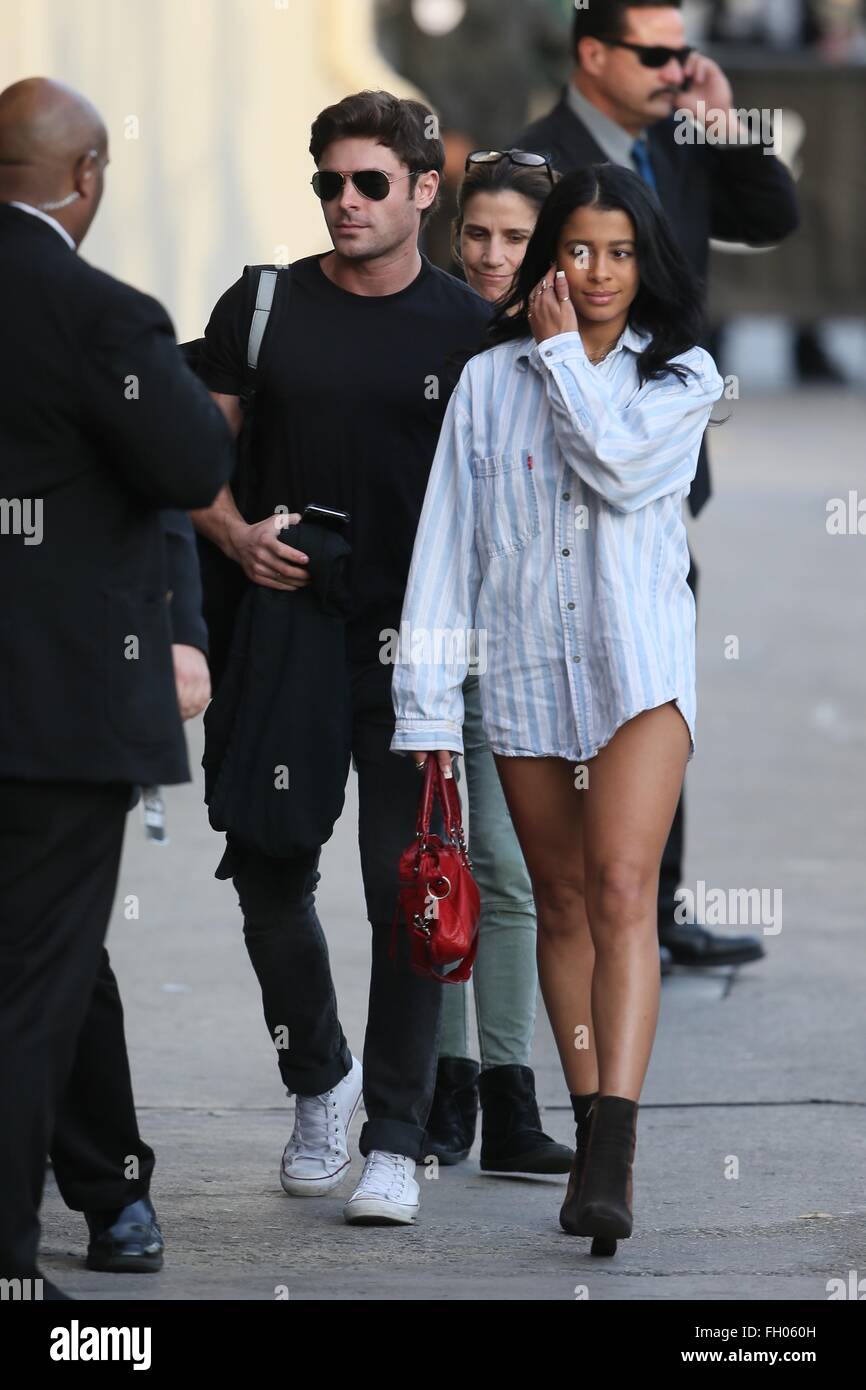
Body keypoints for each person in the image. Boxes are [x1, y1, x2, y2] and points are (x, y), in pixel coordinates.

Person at [391, 163, 725, 1254]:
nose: (596, 274)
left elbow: (624, 473)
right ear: (548, 261)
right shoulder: (485, 383)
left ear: (647, 264)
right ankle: (586, 1128)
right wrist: (429, 714)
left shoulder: (678, 378)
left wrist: (553, 361)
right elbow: (442, 553)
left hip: (637, 673)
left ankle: (613, 1152)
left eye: (619, 253)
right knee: (562, 900)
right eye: (576, 250)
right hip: (525, 671)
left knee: (625, 888)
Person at [191, 90, 490, 1227]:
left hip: (415, 643)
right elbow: (191, 451)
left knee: (408, 889)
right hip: (286, 630)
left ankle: (397, 1136)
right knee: (267, 864)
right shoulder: (263, 305)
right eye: (329, 182)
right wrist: (229, 530)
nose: (346, 202)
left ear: (424, 190)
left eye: (371, 182)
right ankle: (320, 1083)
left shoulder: (468, 329)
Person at [0, 77, 233, 1296]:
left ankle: (107, 1188)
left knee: (50, 965)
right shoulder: (98, 314)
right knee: (38, 982)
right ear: (85, 178)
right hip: (51, 716)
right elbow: (194, 462)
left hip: (54, 707)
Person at [515, 0, 799, 970]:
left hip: (666, 468)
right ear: (591, 54)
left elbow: (772, 217)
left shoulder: (680, 142)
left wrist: (722, 125)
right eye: (656, 53)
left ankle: (654, 904)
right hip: (560, 469)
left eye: (684, 52)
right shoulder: (536, 156)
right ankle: (576, 898)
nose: (677, 68)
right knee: (570, 692)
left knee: (656, 691)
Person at [425, 148, 572, 1174]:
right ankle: (437, 1094)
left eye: (513, 237)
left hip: (532, 646)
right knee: (430, 868)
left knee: (510, 872)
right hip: (427, 633)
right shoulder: (420, 325)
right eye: (475, 234)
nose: (489, 255)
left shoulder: (577, 343)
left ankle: (508, 1102)